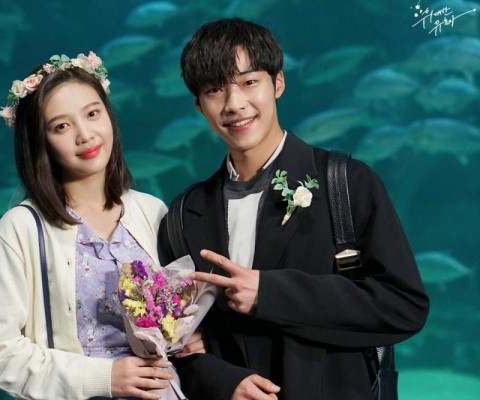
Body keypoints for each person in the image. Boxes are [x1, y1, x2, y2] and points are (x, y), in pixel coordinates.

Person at [157, 18, 429, 400]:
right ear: (199, 106)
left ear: (278, 83)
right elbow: (178, 347)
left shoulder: (345, 182)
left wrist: (269, 293)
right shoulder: (183, 215)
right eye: (215, 90)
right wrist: (222, 381)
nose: (234, 104)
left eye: (249, 82)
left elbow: (404, 306)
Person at [0, 51, 202, 400]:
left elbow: (172, 321)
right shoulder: (21, 227)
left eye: (92, 114)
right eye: (61, 126)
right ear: (40, 141)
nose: (85, 135)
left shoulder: (151, 211)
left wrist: (190, 337)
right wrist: (104, 377)